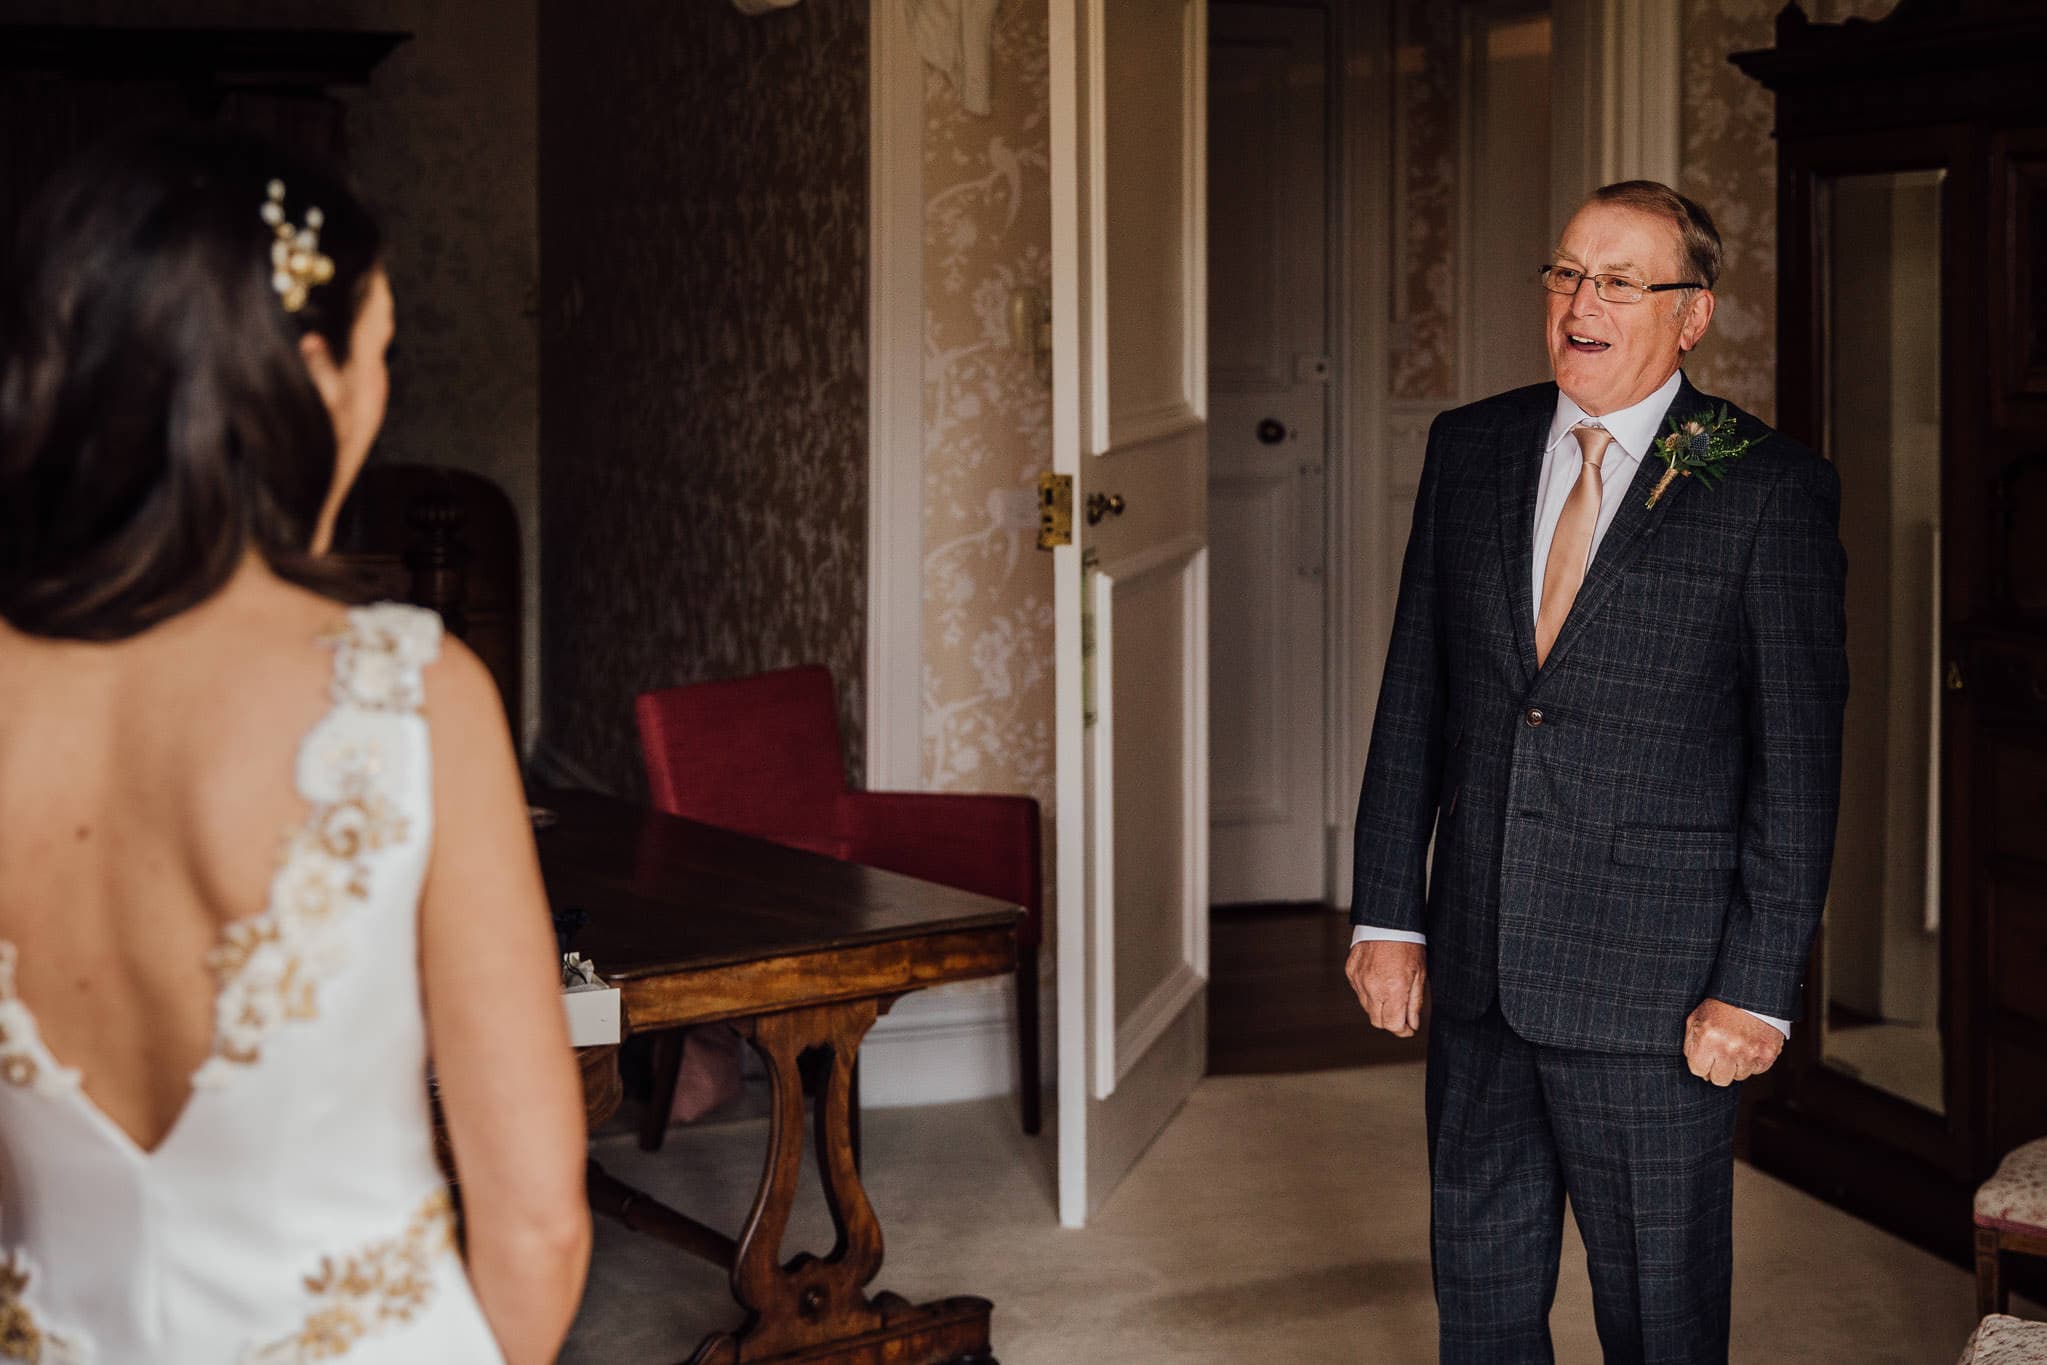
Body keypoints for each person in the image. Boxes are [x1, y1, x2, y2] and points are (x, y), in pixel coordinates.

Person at [0, 125, 589, 1361]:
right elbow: (536, 1224)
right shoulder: (411, 691)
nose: (381, 394)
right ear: (313, 376)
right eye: (381, 353)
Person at [1345, 180, 1848, 1364]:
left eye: (1619, 282)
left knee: (1657, 1318)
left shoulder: (1765, 487)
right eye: (1566, 273)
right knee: (1480, 1295)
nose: (1580, 302)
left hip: (1655, 989)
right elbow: (1414, 691)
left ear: (1691, 316)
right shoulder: (1469, 448)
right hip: (1475, 959)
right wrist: (1387, 913)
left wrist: (1758, 985)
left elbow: (1800, 765)